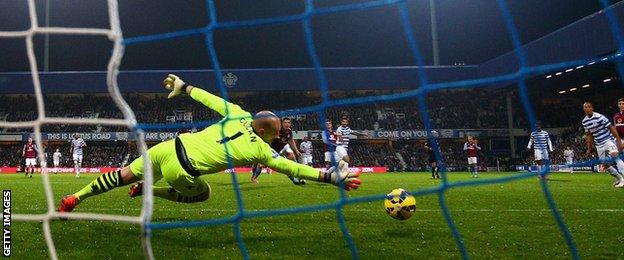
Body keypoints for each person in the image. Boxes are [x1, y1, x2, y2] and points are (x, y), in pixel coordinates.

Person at [57, 74, 360, 212]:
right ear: (268, 133)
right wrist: (333, 178)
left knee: (122, 175)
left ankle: (76, 198)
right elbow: (290, 166)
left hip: (168, 146)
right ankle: (155, 190)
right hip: (183, 170)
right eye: (278, 130)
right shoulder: (260, 150)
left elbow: (211, 99)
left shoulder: (239, 113)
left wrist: (183, 86)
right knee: (203, 195)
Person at [250, 117, 305, 185]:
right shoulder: (276, 130)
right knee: (260, 164)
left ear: (290, 124)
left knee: (292, 158)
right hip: (272, 149)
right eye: (285, 122)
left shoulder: (289, 131)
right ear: (282, 123)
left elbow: (291, 141)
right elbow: (266, 138)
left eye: (288, 122)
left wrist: (296, 151)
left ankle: (298, 178)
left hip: (283, 147)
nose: (287, 124)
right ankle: (254, 178)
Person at [582, 101, 624, 187]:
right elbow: (589, 135)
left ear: (592, 108)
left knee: (615, 156)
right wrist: (589, 148)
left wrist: (618, 140)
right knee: (605, 165)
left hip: (608, 140)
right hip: (598, 144)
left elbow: (612, 128)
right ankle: (620, 178)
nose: (587, 109)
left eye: (589, 107)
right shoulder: (584, 121)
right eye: (585, 107)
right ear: (583, 109)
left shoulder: (600, 117)